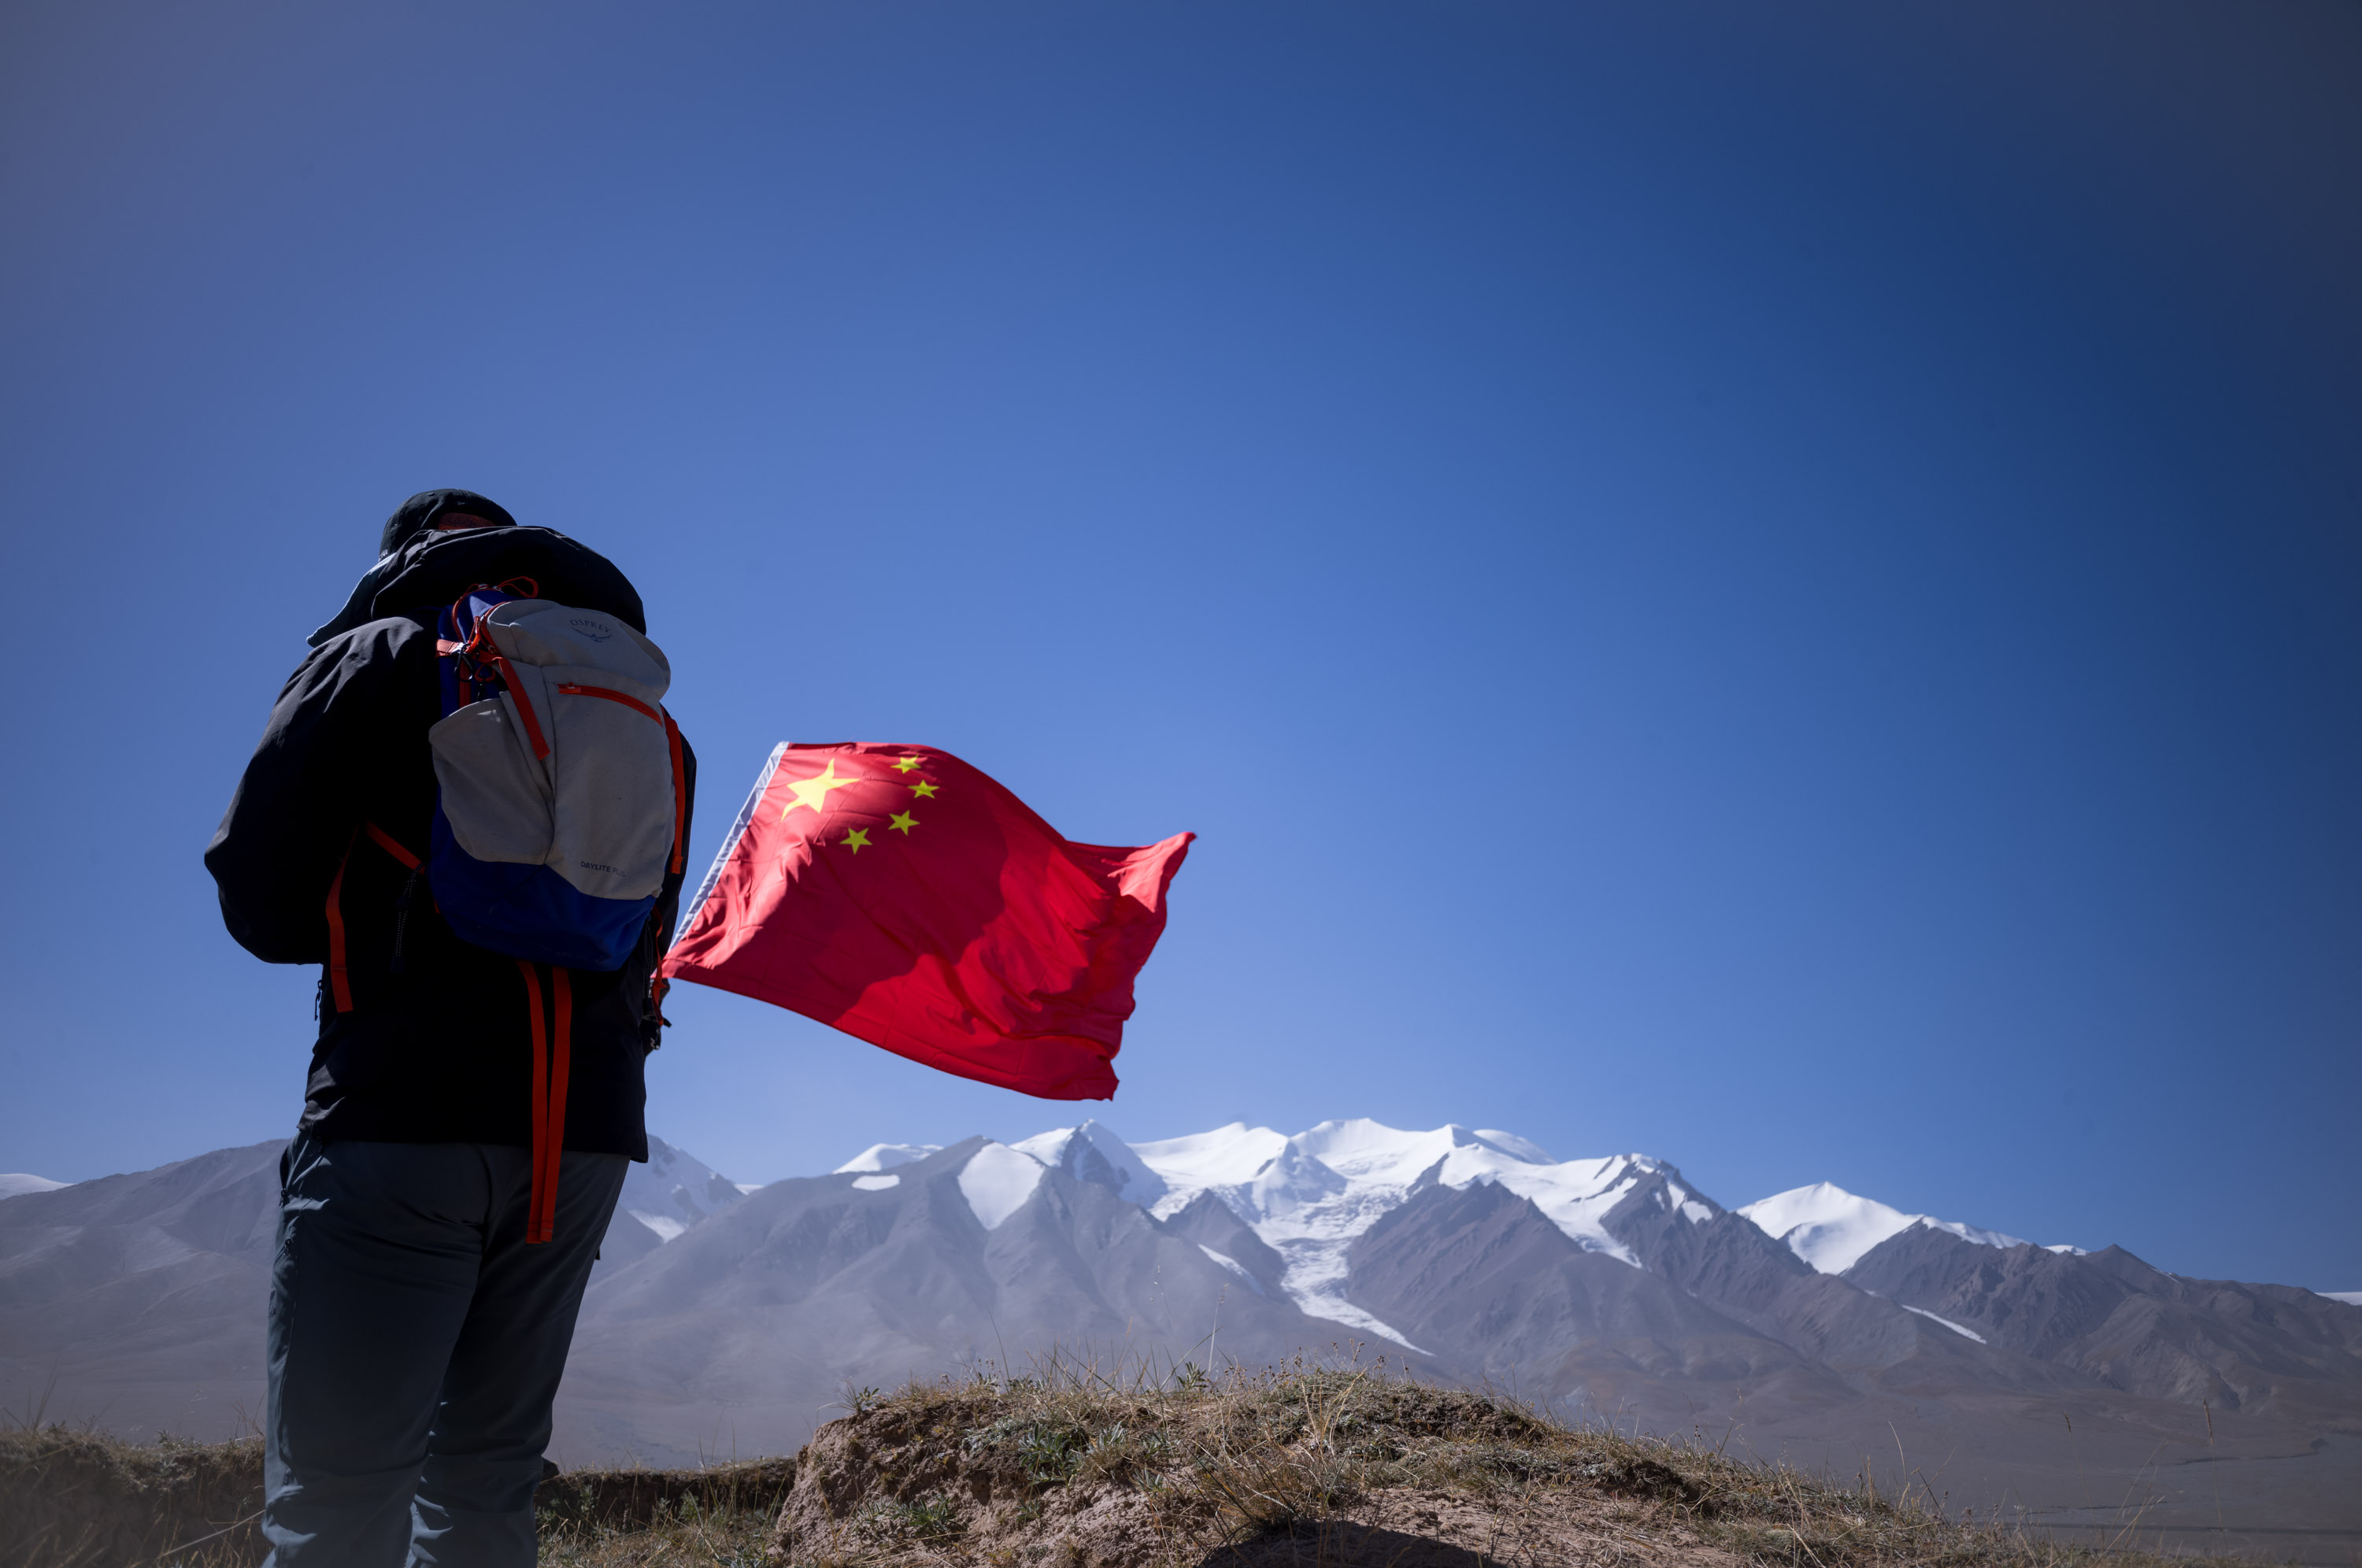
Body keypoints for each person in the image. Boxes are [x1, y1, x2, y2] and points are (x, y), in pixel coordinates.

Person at [205, 490, 697, 1566]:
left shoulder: (378, 655)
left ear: (400, 563)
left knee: (338, 1495)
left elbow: (259, 898)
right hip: (581, 1145)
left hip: (402, 1118)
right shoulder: (646, 715)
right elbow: (640, 928)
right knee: (486, 1481)